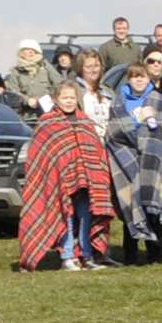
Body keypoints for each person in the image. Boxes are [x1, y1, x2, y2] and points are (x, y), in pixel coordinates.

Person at [19, 82, 116, 272]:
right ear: (56, 99)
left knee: (86, 215)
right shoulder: (48, 122)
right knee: (66, 215)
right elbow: (40, 155)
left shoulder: (85, 121)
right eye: (65, 98)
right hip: (59, 182)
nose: (69, 101)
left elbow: (95, 150)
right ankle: (68, 255)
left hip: (86, 181)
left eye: (72, 98)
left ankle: (86, 255)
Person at [108, 63, 162, 264]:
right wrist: (137, 125)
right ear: (128, 79)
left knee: (154, 208)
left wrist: (148, 136)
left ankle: (156, 254)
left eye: (143, 76)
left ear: (149, 79)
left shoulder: (159, 101)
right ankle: (130, 255)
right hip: (129, 164)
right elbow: (114, 133)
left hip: (156, 163)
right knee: (130, 205)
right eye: (134, 76)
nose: (139, 80)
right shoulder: (119, 102)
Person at [6, 38, 58, 122]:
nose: (30, 53)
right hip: (26, 117)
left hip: (48, 115)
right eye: (26, 50)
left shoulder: (45, 67)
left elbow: (59, 84)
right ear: (21, 53)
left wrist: (47, 98)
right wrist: (27, 100)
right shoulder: (16, 71)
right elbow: (12, 91)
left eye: (32, 51)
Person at [73, 50, 112, 139]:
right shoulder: (72, 90)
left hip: (108, 143)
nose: (94, 70)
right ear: (80, 68)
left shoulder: (108, 91)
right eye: (88, 67)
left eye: (96, 66)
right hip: (84, 141)